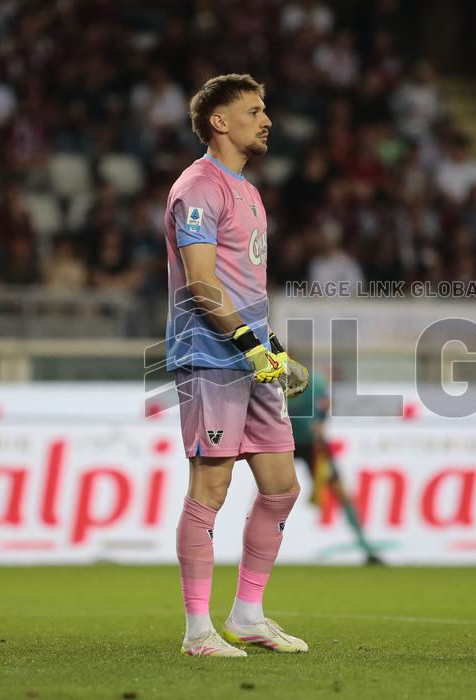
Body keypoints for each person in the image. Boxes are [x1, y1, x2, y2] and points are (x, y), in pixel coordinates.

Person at [164, 73, 310, 658]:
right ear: (219, 122)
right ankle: (198, 631)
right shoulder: (197, 187)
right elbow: (201, 283)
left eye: (265, 108)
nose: (266, 119)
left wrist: (271, 351)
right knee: (212, 484)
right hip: (208, 354)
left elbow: (245, 285)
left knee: (281, 487)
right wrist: (251, 346)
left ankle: (248, 615)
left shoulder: (248, 191)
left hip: (251, 357)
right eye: (253, 110)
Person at [287, 370, 384, 565]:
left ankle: (366, 547)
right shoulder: (269, 381)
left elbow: (325, 403)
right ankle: (251, 552)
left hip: (313, 445)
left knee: (340, 492)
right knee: (267, 494)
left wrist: (321, 422)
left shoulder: (313, 382)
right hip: (282, 444)